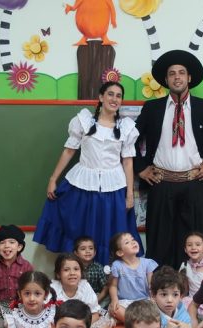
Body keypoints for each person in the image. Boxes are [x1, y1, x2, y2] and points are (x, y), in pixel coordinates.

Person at [134, 49, 203, 269]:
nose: (177, 77)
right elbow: (129, 139)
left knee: (195, 243)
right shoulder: (152, 109)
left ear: (189, 78)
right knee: (159, 241)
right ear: (166, 80)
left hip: (193, 184)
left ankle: (194, 284)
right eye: (172, 73)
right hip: (161, 184)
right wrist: (140, 168)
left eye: (181, 73)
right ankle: (159, 284)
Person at [34, 81, 142, 265]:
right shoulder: (83, 122)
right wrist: (53, 179)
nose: (114, 99)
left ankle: (108, 275)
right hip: (82, 185)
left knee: (111, 232)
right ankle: (78, 272)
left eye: (118, 96)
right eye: (110, 94)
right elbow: (69, 151)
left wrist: (130, 194)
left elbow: (128, 162)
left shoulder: (126, 128)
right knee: (81, 229)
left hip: (114, 188)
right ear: (101, 97)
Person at [50, 253, 114, 328]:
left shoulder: (84, 286)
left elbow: (95, 314)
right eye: (66, 270)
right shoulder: (53, 288)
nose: (72, 273)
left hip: (81, 326)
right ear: (58, 274)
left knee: (105, 327)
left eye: (76, 269)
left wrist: (80, 327)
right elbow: (48, 316)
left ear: (81, 271)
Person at [0, 225, 34, 328]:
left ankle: (13, 325)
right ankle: (7, 326)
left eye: (11, 242)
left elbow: (32, 288)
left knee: (24, 325)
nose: (7, 246)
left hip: (20, 304)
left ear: (19, 247)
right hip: (0, 304)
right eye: (2, 243)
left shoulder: (27, 266)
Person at [107, 231, 158, 322]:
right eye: (127, 242)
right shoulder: (117, 265)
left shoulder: (147, 263)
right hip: (125, 302)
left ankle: (135, 321)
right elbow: (113, 285)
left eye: (133, 239)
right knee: (116, 310)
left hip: (144, 300)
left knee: (158, 307)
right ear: (120, 252)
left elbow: (151, 284)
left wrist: (153, 298)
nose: (133, 242)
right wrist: (114, 300)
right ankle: (140, 322)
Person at [178, 231, 203, 310]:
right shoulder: (185, 265)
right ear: (185, 249)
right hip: (191, 301)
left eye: (198, 244)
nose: (193, 247)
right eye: (189, 245)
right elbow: (184, 288)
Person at [73, 236, 109, 303]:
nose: (88, 251)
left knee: (108, 298)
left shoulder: (98, 267)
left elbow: (105, 287)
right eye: (83, 249)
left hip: (95, 296)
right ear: (76, 253)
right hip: (77, 296)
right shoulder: (73, 267)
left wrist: (96, 300)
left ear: (95, 252)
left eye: (91, 248)